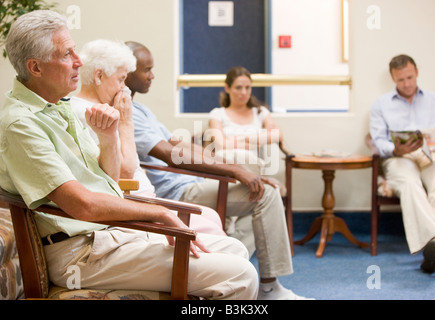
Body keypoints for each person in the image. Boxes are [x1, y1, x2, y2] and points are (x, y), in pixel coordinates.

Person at [0, 10, 258, 299]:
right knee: (240, 274)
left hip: (106, 235)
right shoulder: (21, 123)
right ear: (35, 67)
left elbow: (109, 181)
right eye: (66, 53)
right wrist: (160, 214)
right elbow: (82, 205)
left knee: (236, 249)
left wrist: (109, 137)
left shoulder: (58, 105)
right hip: (80, 253)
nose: (79, 61)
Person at [126, 41, 311, 300]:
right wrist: (234, 170)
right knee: (266, 196)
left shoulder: (141, 109)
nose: (152, 75)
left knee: (261, 191)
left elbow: (179, 145)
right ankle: (269, 289)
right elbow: (169, 154)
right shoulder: (127, 113)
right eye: (147, 70)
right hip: (176, 193)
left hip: (189, 183)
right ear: (125, 71)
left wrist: (235, 170)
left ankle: (240, 273)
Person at [71, 39, 225, 236]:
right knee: (211, 227)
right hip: (131, 205)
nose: (124, 89)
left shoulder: (101, 108)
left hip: (143, 199)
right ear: (99, 76)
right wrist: (126, 122)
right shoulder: (93, 113)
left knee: (211, 217)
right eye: (120, 80)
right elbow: (125, 172)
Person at [369, 54, 435, 273]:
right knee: (409, 183)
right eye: (400, 80)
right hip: (400, 158)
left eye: (409, 78)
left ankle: (434, 247)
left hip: (432, 156)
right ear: (393, 78)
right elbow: (379, 141)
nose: (406, 84)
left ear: (416, 73)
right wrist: (394, 148)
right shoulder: (381, 105)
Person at [208, 66, 282, 177]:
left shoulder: (260, 112)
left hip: (252, 167)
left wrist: (244, 139)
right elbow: (222, 145)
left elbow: (277, 135)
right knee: (227, 156)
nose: (244, 92)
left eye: (248, 87)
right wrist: (257, 141)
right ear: (227, 88)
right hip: (226, 166)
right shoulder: (217, 114)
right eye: (238, 88)